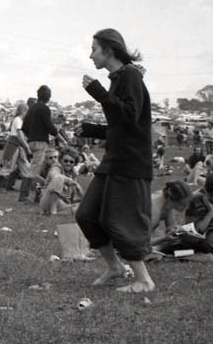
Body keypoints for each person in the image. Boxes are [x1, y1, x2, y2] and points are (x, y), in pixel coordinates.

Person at [75, 28, 154, 293]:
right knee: (86, 214)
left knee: (119, 220)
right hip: (114, 159)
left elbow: (130, 116)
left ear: (108, 50)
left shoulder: (130, 76)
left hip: (130, 162)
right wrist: (92, 130)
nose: (90, 55)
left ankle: (143, 280)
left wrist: (98, 93)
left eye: (94, 49)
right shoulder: (118, 78)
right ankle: (115, 267)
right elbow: (121, 124)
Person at [20, 85, 65, 202]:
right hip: (41, 142)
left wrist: (31, 135)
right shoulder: (44, 109)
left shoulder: (32, 109)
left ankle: (36, 193)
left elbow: (24, 127)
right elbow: (50, 127)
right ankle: (25, 195)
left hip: (31, 142)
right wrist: (61, 139)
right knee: (34, 171)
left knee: (35, 168)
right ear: (48, 97)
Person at [0, 102, 31, 193]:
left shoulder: (20, 121)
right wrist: (26, 145)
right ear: (23, 111)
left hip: (18, 146)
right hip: (14, 145)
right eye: (27, 111)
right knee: (8, 166)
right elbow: (19, 135)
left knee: (25, 166)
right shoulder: (18, 120)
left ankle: (25, 188)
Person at [149, 180, 192, 251]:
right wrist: (164, 238)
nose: (186, 208)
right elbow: (140, 242)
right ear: (173, 198)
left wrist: (176, 230)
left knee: (177, 241)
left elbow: (170, 226)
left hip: (143, 239)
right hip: (133, 241)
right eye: (183, 205)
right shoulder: (154, 208)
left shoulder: (167, 201)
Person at [39, 146, 83, 215]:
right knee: (60, 178)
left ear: (75, 163)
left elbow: (72, 198)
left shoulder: (73, 174)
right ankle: (52, 211)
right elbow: (55, 176)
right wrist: (75, 183)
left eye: (71, 162)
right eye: (66, 161)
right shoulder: (56, 167)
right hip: (47, 199)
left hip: (61, 203)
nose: (68, 163)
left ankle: (54, 213)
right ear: (61, 160)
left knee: (83, 207)